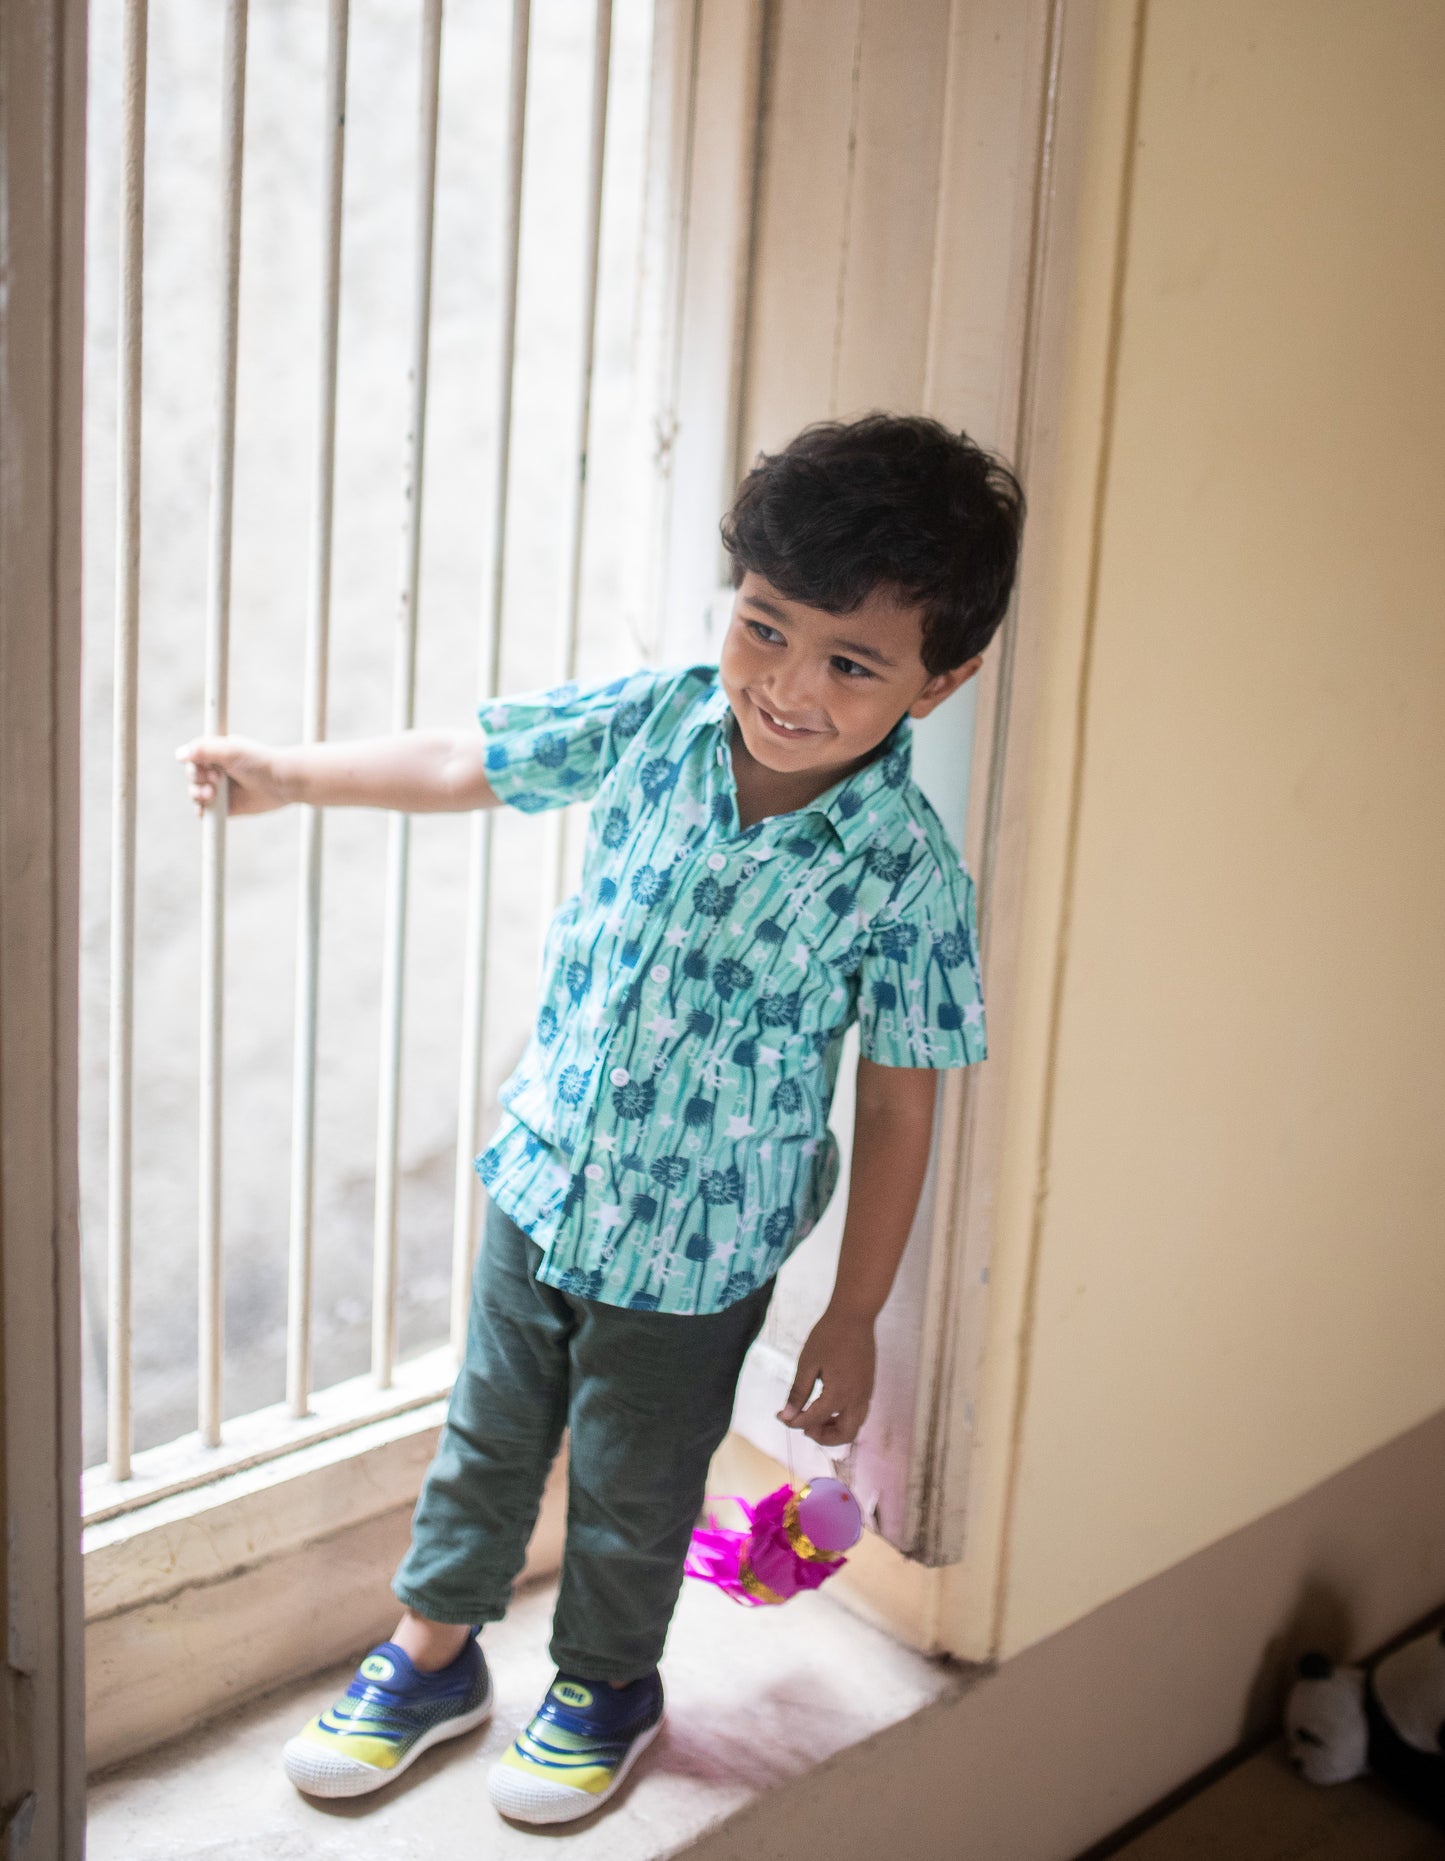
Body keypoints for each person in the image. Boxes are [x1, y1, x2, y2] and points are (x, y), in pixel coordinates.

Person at [176, 411, 1024, 1826]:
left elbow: (895, 1098)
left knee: (637, 1486)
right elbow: (472, 760)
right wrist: (290, 773)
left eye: (849, 661)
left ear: (942, 682)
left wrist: (853, 1308)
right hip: (543, 1180)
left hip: (698, 1256)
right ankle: (430, 1654)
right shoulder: (656, 718)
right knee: (486, 1439)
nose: (784, 685)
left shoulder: (903, 873)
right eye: (765, 626)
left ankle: (606, 1685)